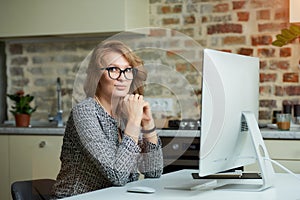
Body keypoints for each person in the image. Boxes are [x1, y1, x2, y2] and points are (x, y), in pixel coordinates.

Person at [51, 40, 164, 199]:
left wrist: (148, 124)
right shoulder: (85, 112)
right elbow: (117, 175)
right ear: (96, 75)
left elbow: (154, 171)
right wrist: (133, 122)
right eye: (113, 69)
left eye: (127, 70)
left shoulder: (125, 113)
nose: (122, 77)